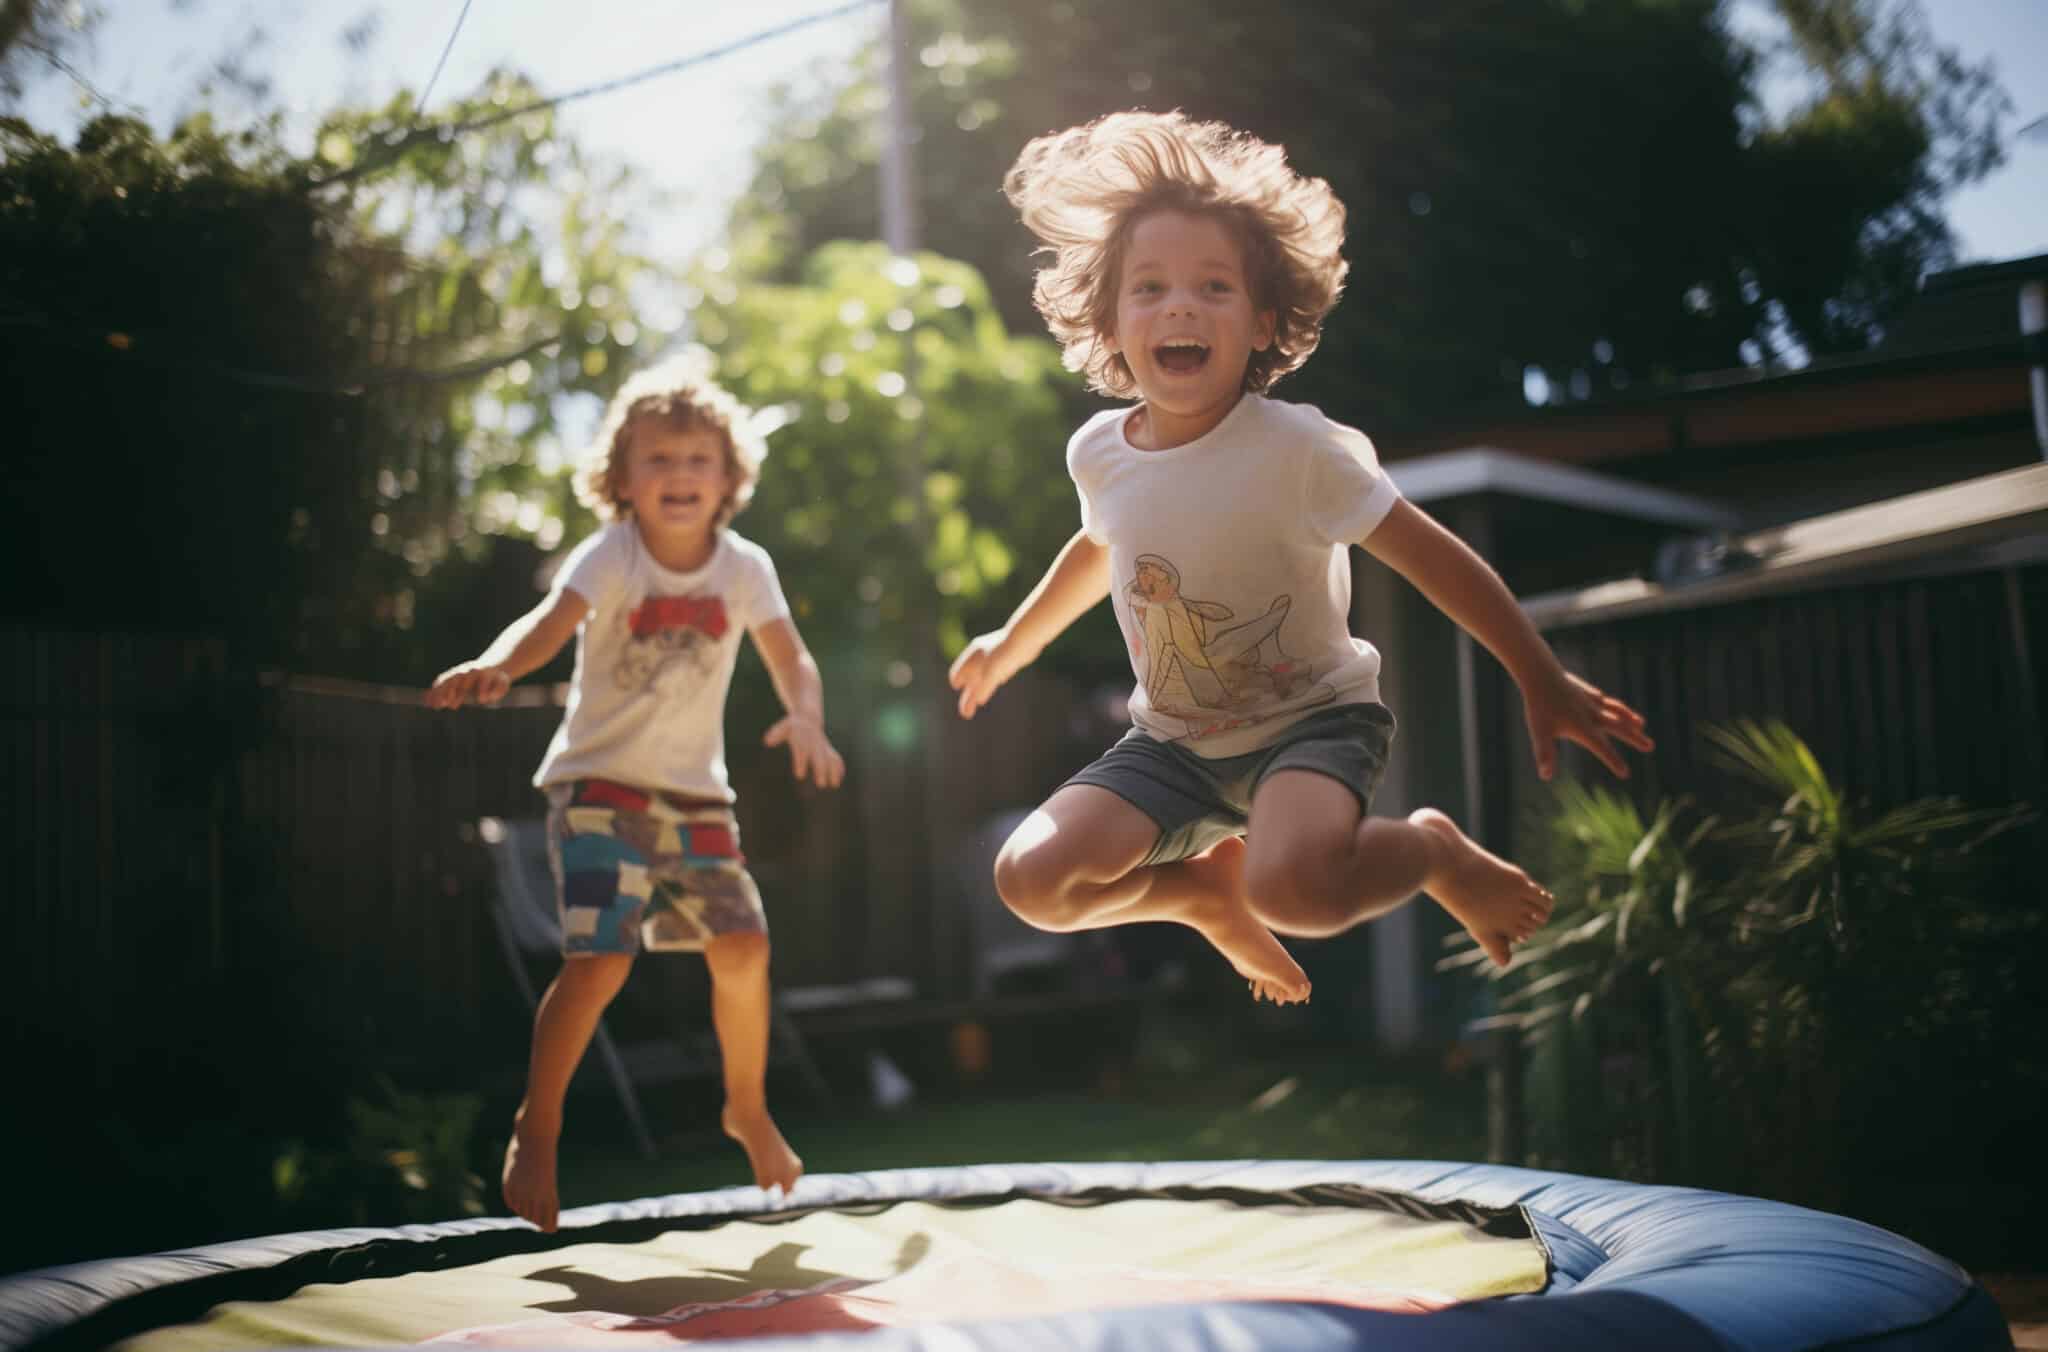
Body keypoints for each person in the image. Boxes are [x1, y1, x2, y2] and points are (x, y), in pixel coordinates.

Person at [947, 111, 1652, 1004]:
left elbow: (1435, 559)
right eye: (1150, 288)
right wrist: (1015, 641)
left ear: (1262, 321)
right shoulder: (1101, 452)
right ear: (1110, 321)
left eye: (1213, 288)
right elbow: (1099, 548)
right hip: (1173, 743)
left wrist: (1539, 674)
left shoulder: (1298, 452)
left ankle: (1430, 851)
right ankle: (1201, 897)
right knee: (1031, 879)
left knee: (1296, 896)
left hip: (1312, 723)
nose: (1180, 306)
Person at [429, 353, 844, 1231]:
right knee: (602, 959)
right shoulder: (612, 553)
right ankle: (536, 1127)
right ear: (620, 478)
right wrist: (501, 664)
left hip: (696, 797)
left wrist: (805, 715)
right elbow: (551, 624)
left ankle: (745, 1105)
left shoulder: (744, 568)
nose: (680, 476)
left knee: (743, 945)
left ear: (729, 477)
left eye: (698, 460)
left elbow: (790, 658)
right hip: (599, 788)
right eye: (658, 460)